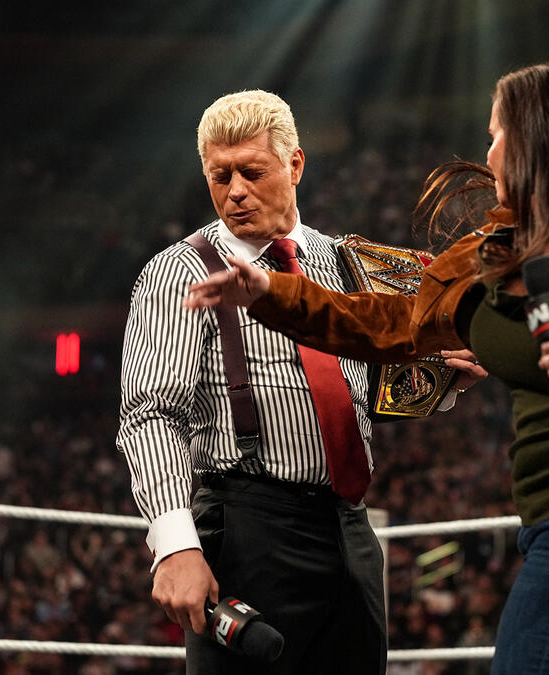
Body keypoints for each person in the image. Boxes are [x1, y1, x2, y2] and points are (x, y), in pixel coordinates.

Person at [187, 63, 549, 673]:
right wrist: (272, 293)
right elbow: (390, 322)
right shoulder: (494, 254)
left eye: (496, 136)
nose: (488, 154)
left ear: (535, 141)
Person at [117, 89, 483, 674]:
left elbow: (352, 397)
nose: (236, 191)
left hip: (351, 528)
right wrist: (175, 544)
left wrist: (441, 385)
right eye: (220, 176)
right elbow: (150, 413)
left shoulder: (342, 262)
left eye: (252, 171)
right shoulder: (180, 271)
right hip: (248, 528)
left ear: (295, 165)